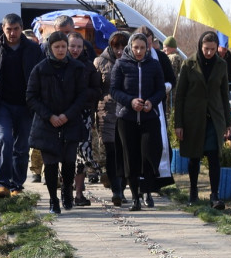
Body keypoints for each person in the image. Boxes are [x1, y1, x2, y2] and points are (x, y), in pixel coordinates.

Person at [27, 32, 90, 214]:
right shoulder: (40, 69)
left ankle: (67, 192)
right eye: (57, 47)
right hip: (47, 124)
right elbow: (31, 97)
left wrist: (67, 115)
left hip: (70, 122)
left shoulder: (77, 68)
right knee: (51, 163)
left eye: (64, 46)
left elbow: (82, 96)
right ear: (50, 48)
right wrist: (50, 116)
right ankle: (53, 200)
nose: (61, 50)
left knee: (69, 162)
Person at [175, 31, 231, 209]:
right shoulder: (189, 64)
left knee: (214, 157)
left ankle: (215, 195)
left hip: (214, 119)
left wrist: (228, 122)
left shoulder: (221, 65)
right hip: (193, 119)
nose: (209, 53)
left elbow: (224, 95)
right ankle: (193, 193)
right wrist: (179, 123)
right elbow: (180, 96)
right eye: (206, 49)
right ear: (200, 46)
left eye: (213, 49)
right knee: (194, 157)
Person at [110, 32, 165, 211]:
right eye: (136, 48)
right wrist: (130, 101)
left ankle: (147, 190)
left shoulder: (154, 65)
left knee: (149, 155)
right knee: (130, 157)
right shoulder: (121, 64)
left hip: (149, 117)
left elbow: (160, 90)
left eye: (142, 47)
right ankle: (135, 197)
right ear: (130, 48)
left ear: (147, 48)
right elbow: (114, 90)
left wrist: (151, 102)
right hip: (127, 118)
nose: (139, 51)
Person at [0, 13, 43, 197]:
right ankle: (2, 183)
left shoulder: (32, 49)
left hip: (26, 105)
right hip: (2, 105)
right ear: (3, 29)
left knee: (22, 147)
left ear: (21, 28)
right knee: (3, 139)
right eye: (9, 29)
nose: (12, 33)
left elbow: (40, 76)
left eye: (16, 29)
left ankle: (16, 185)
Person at [66, 32, 101, 207]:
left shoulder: (88, 66)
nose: (75, 50)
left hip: (84, 115)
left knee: (82, 155)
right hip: (63, 116)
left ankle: (79, 194)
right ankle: (66, 192)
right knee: (66, 155)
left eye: (79, 47)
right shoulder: (58, 65)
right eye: (72, 46)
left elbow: (98, 90)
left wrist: (82, 95)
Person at [94, 31, 129, 205]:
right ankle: (116, 189)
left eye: (123, 47)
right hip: (106, 113)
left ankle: (122, 187)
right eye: (117, 47)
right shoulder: (100, 62)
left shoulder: (131, 62)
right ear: (111, 46)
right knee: (111, 152)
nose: (120, 50)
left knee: (124, 153)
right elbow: (95, 88)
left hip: (126, 113)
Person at [219, 38, 231, 104]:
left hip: (227, 87)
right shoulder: (213, 56)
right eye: (223, 49)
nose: (225, 51)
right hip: (216, 88)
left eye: (226, 49)